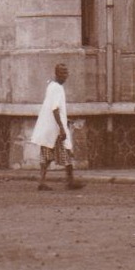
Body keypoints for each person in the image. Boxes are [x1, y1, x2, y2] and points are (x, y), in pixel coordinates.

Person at [32, 63, 83, 192]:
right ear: (57, 74)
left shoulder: (51, 86)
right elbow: (55, 109)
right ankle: (69, 181)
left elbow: (55, 109)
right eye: (62, 73)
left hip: (49, 127)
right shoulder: (57, 88)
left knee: (47, 155)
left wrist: (65, 120)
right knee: (65, 152)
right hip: (54, 128)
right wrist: (61, 127)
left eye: (66, 73)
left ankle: (43, 181)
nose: (65, 76)